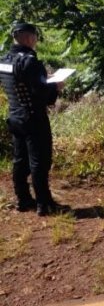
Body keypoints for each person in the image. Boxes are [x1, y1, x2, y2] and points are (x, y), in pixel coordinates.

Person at [0, 22, 67, 216]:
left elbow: (21, 82)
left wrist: (44, 79)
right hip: (33, 118)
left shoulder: (4, 60)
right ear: (29, 37)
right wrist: (55, 87)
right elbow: (40, 94)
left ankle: (23, 199)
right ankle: (44, 204)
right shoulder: (30, 61)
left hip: (15, 116)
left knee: (20, 160)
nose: (36, 40)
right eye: (35, 37)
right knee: (40, 161)